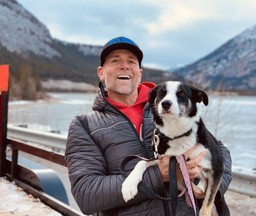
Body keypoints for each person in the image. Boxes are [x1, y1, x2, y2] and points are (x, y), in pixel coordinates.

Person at [65, 36, 232, 216]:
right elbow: (87, 195)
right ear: (101, 72)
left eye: (131, 61)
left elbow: (221, 154)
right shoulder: (84, 126)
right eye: (115, 60)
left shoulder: (173, 113)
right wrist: (161, 174)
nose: (125, 66)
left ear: (139, 73)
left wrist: (208, 190)